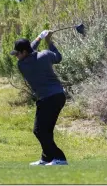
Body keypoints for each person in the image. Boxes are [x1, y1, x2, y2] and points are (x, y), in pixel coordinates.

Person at [10, 30, 68, 166]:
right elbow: (58, 57)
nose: (16, 56)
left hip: (49, 99)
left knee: (39, 130)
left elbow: (31, 49)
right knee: (45, 130)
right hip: (58, 96)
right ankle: (46, 158)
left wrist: (38, 38)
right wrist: (48, 41)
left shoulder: (22, 65)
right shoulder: (46, 55)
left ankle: (59, 158)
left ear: (24, 52)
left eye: (17, 53)